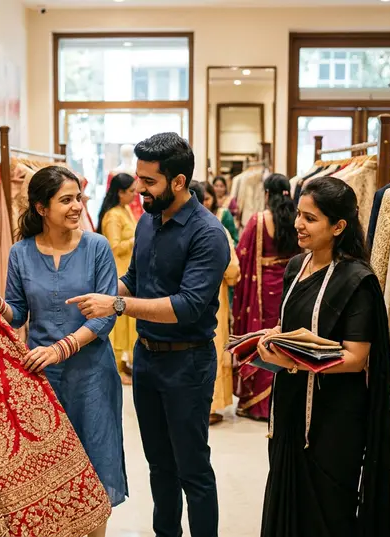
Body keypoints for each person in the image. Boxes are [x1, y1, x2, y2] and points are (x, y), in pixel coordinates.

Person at [67, 133, 230, 537]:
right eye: (138, 178)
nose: (139, 188)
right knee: (159, 465)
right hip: (148, 359)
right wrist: (102, 294)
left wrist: (118, 306)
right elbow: (135, 279)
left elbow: (188, 305)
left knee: (192, 468)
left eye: (149, 181)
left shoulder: (207, 233)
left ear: (178, 182)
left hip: (188, 362)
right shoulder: (147, 222)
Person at [0, 165, 128, 537]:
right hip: (42, 381)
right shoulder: (21, 253)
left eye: (78, 197)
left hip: (92, 375)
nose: (77, 206)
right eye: (66, 200)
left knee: (94, 467)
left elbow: (104, 317)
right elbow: (17, 313)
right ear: (41, 208)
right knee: (52, 469)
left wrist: (61, 349)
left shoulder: (97, 248)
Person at [257, 176, 390, 537]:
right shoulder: (296, 267)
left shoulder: (358, 280)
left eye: (310, 219)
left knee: (327, 512)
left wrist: (292, 361)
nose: (298, 225)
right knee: (287, 503)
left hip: (333, 418)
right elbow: (292, 324)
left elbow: (355, 357)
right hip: (290, 409)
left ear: (339, 226)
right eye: (300, 215)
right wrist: (274, 335)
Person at [232, 173, 299, 422]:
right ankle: (283, 400)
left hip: (261, 291)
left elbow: (241, 253)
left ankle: (258, 405)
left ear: (267, 194)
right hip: (290, 285)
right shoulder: (297, 219)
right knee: (285, 336)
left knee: (262, 338)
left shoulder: (259, 220)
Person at [192, 182, 241, 425]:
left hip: (172, 308)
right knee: (212, 346)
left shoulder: (163, 227)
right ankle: (210, 406)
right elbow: (232, 271)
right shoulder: (216, 229)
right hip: (213, 302)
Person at [97, 172, 139, 385]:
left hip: (129, 271)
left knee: (128, 321)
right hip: (119, 272)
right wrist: (136, 239)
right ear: (120, 192)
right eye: (131, 191)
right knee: (118, 324)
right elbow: (113, 247)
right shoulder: (113, 215)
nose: (135, 194)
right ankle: (115, 367)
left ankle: (123, 364)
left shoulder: (124, 211)